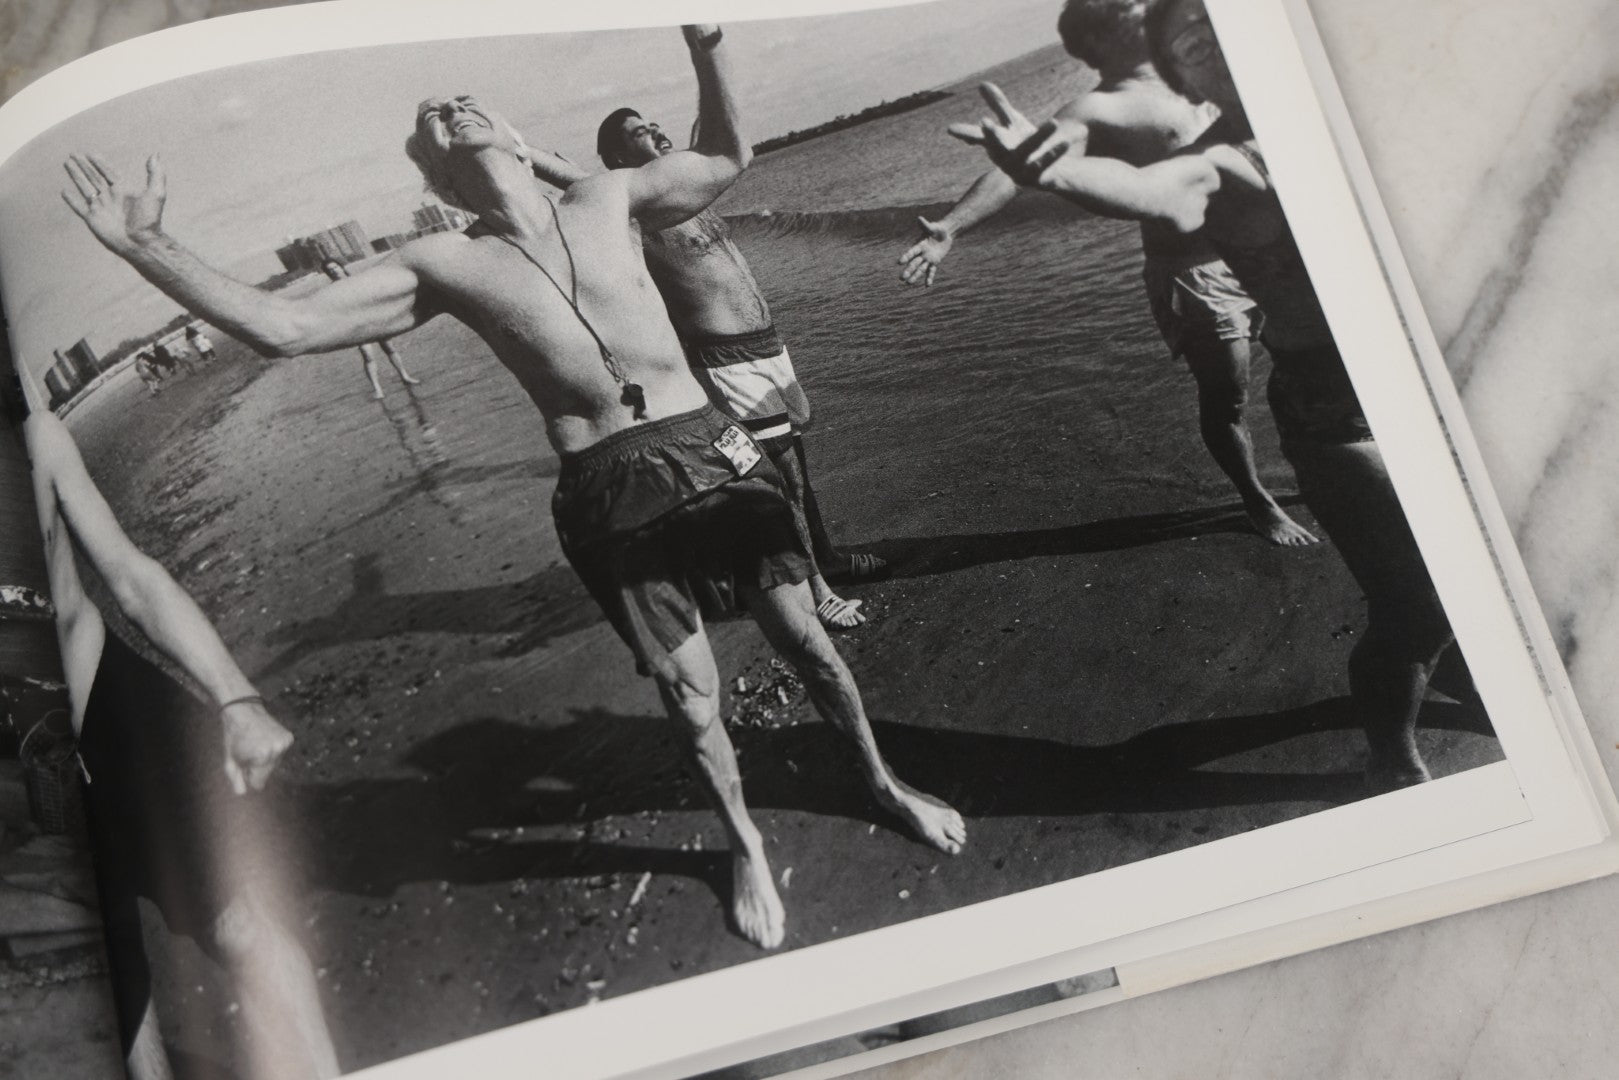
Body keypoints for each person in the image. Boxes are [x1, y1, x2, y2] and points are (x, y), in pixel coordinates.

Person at [61, 23, 964, 951]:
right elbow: (281, 329)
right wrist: (149, 248)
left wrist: (709, 45)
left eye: (465, 100)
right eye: (433, 116)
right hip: (610, 487)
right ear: (435, 176)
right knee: (693, 701)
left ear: (511, 132)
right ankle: (743, 844)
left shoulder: (606, 196)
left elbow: (727, 157)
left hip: (709, 441)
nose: (452, 107)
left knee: (809, 645)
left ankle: (883, 784)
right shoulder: (443, 263)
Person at [950, 0, 1450, 791]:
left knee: (1485, 566)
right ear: (1182, 76)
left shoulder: (1333, 106)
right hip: (1337, 406)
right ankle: (1390, 759)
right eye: (1190, 44)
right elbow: (1156, 190)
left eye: (1216, 26)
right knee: (1417, 607)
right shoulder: (1216, 162)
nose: (1210, 44)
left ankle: (1460, 673)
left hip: (1436, 371)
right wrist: (1049, 175)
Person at [901, 0, 1315, 548]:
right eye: (1129, 4)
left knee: (1306, 361)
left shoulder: (1196, 72)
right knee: (1227, 398)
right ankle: (1258, 500)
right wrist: (950, 226)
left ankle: (1322, 460)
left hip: (1266, 251)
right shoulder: (1097, 108)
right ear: (1098, 38)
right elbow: (1022, 170)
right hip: (1196, 272)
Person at [21, 395, 339, 1079]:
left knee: (239, 928)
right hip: (26, 770)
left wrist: (236, 700)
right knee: (114, 985)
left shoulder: (35, 438)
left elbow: (132, 577)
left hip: (116, 712)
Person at [525, 108, 886, 630]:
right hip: (725, 359)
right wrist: (517, 147)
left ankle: (822, 558)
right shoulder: (629, 206)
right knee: (781, 476)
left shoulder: (687, 193)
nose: (655, 131)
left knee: (797, 466)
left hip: (768, 347)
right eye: (640, 132)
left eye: (653, 124)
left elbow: (719, 146)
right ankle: (818, 591)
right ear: (618, 158)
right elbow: (573, 176)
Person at [319, 260, 423, 399]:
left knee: (389, 348)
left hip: (374, 319)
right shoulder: (333, 290)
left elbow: (373, 296)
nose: (334, 271)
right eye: (330, 270)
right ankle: (377, 389)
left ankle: (405, 376)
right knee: (367, 355)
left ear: (341, 267)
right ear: (327, 273)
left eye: (335, 267)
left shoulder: (357, 280)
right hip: (357, 325)